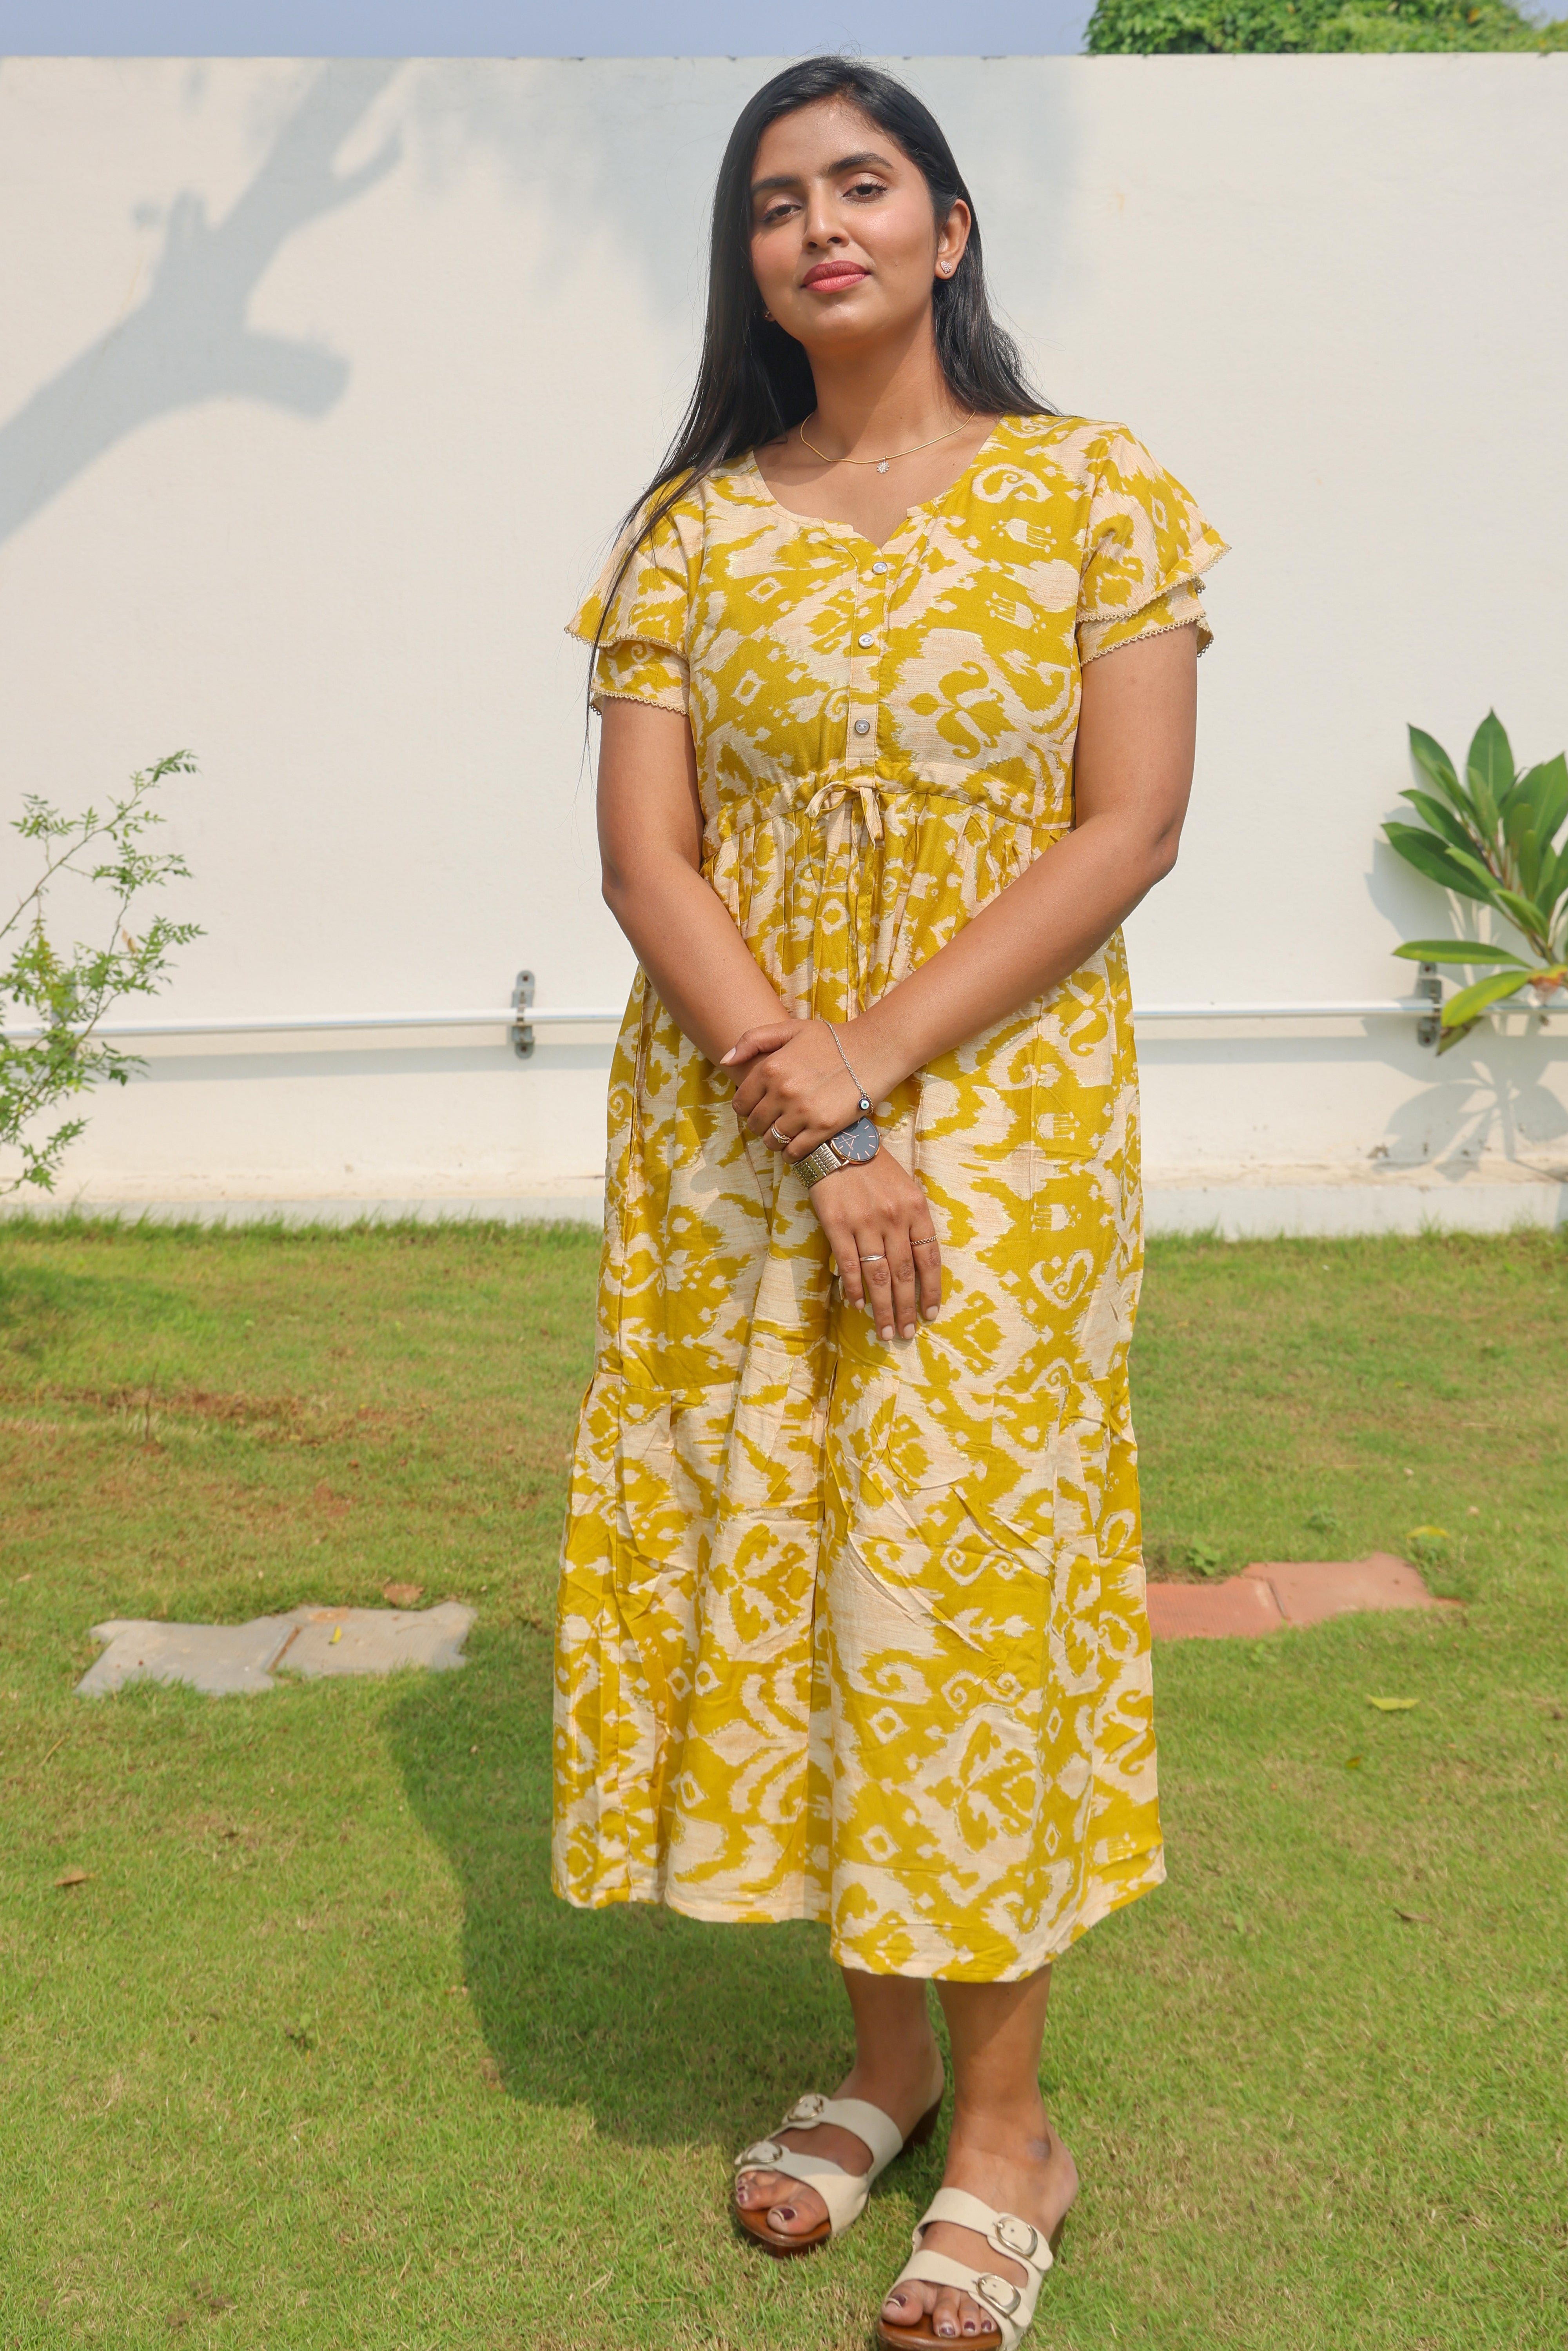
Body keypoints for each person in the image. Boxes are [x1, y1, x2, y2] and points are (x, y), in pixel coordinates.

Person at [555, 54, 1225, 2351]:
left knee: (955, 1580)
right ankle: (884, 2067)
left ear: (950, 230)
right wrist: (818, 1110)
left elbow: (1129, 825)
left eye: (863, 184)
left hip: (1007, 1117)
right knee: (811, 1562)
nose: (819, 225)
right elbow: (647, 857)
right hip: (746, 1130)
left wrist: (880, 1069)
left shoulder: (1095, 491)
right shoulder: (686, 533)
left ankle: (1011, 2131)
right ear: (748, 262)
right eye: (776, 201)